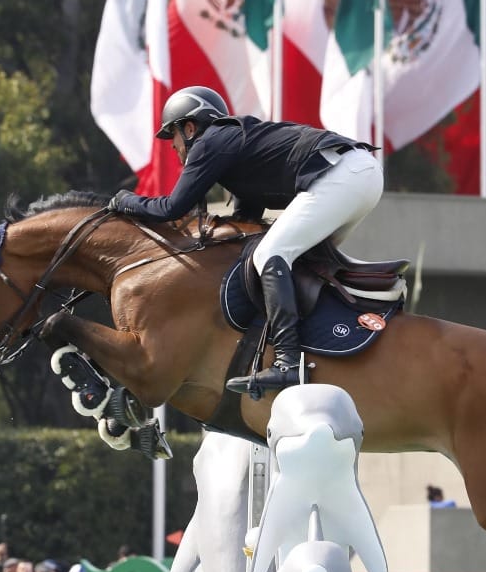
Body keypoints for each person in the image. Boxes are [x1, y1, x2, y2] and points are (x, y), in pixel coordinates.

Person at [107, 85, 383, 397]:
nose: (173, 146)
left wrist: (125, 201)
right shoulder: (234, 146)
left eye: (173, 134)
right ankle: (335, 338)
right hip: (360, 173)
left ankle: (288, 362)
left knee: (270, 254)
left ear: (190, 128)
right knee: (305, 263)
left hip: (343, 175)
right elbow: (245, 221)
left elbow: (172, 208)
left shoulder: (210, 142)